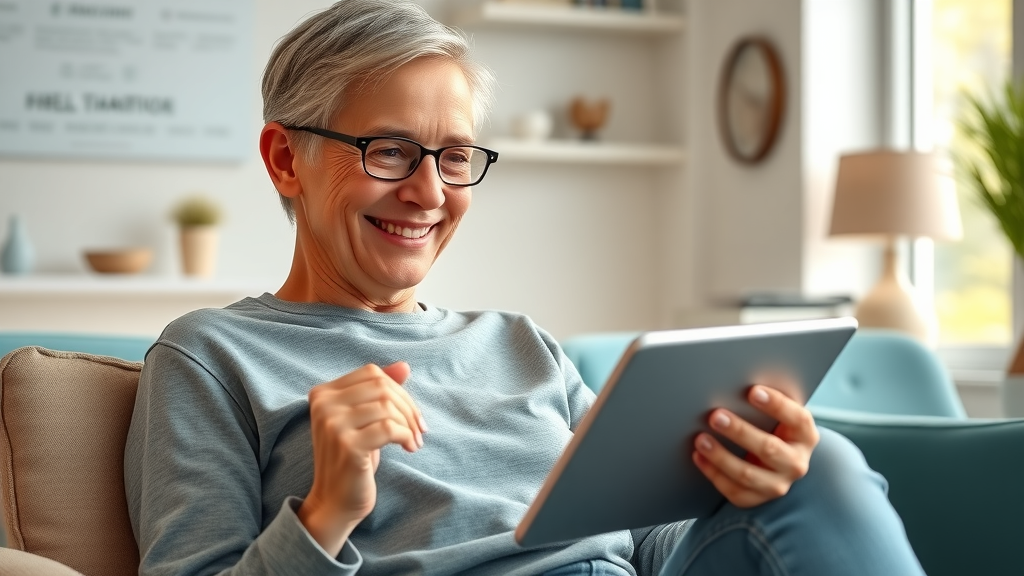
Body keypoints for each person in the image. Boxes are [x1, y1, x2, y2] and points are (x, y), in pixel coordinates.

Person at [124, 1, 926, 574]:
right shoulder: (210, 357)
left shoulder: (519, 342)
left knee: (824, 466)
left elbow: (644, 546)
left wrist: (742, 477)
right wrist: (327, 512)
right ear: (283, 158)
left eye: (454, 156)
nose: (431, 193)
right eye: (390, 151)